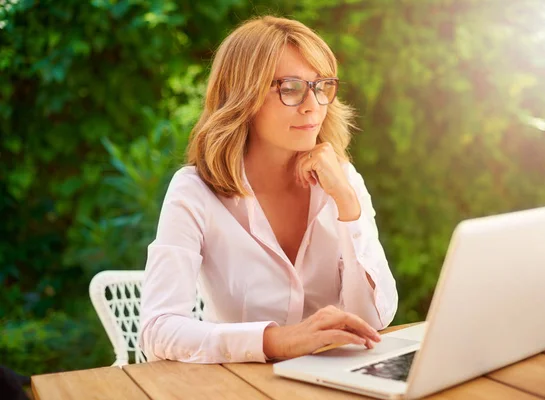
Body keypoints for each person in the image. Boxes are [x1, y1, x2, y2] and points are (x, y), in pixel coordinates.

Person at [140, 15, 398, 364]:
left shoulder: (343, 180)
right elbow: (157, 330)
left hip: (334, 380)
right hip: (240, 385)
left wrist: (347, 203)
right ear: (243, 96)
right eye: (290, 88)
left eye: (321, 86)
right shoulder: (194, 191)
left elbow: (372, 320)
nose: (313, 105)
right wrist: (276, 341)